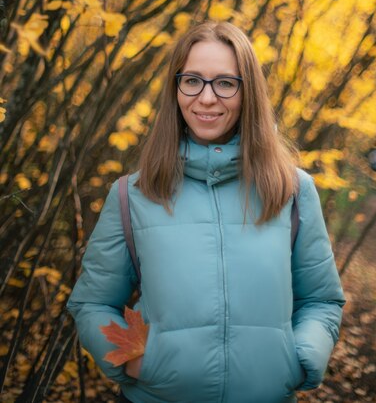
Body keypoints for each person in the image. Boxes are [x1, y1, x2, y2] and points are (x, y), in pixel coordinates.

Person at [67, 21, 345, 403]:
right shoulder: (131, 195)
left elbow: (322, 300)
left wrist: (297, 360)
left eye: (225, 83)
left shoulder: (292, 191)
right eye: (192, 80)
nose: (207, 98)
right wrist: (135, 361)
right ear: (175, 88)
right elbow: (93, 302)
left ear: (248, 92)